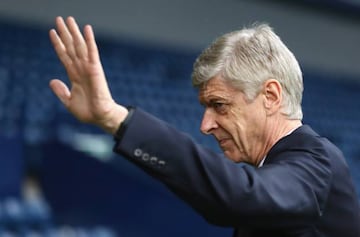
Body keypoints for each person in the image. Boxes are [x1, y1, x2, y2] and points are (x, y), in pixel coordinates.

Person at [48, 16, 360, 237]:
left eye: (219, 105)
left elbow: (241, 196)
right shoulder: (277, 166)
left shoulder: (318, 159)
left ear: (270, 96)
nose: (205, 125)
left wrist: (115, 119)